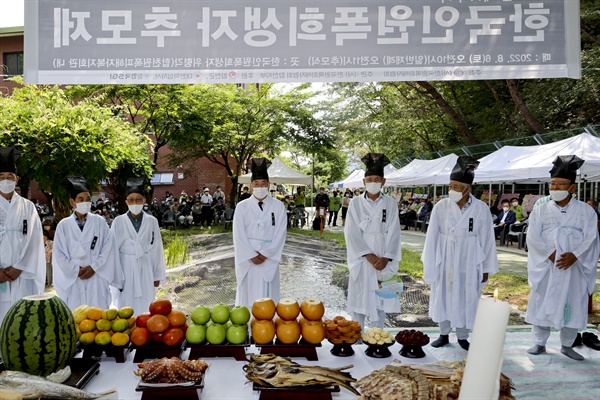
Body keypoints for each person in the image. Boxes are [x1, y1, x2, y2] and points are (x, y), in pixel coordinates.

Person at [525, 155, 600, 361]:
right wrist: (550, 254)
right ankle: (539, 342)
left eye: (561, 184)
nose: (555, 188)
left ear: (572, 188)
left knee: (572, 303)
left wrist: (575, 256)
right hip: (549, 264)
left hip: (573, 267)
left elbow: (591, 238)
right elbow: (533, 237)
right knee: (542, 299)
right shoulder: (540, 210)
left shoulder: (586, 211)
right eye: (552, 184)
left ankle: (567, 345)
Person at [422, 156, 498, 351]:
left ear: (467, 188)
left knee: (467, 294)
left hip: (470, 258)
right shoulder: (441, 207)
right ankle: (443, 333)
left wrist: (487, 267)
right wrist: (431, 262)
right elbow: (431, 236)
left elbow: (488, 239)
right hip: (446, 256)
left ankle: (463, 336)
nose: (452, 190)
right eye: (451, 186)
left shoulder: (481, 208)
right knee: (444, 293)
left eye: (457, 186)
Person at [345, 153, 401, 329]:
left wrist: (386, 257)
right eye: (369, 179)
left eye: (377, 179)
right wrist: (368, 255)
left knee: (382, 297)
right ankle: (358, 337)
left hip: (384, 253)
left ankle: (378, 336)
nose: (373, 183)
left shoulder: (391, 203)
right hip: (362, 257)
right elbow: (351, 232)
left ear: (383, 182)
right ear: (364, 182)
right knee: (360, 299)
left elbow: (394, 232)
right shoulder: (355, 203)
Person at [53, 176, 122, 310]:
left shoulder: (99, 222)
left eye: (88, 199)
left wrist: (94, 267)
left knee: (98, 316)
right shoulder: (64, 225)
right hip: (74, 279)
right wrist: (75, 270)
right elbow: (59, 254)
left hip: (96, 276)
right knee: (76, 316)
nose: (86, 202)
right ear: (72, 202)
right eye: (81, 199)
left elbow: (108, 248)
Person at [233, 158, 287, 308]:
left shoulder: (278, 206)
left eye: (263, 183)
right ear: (250, 186)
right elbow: (238, 234)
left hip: (269, 258)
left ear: (269, 185)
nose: (260, 187)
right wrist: (250, 255)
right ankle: (247, 326)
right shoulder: (242, 207)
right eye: (256, 184)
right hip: (248, 258)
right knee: (248, 294)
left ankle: (267, 329)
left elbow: (281, 233)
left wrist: (266, 253)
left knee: (268, 298)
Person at [0, 147, 45, 324]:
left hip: (22, 274)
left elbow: (34, 241)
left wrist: (20, 267)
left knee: (22, 322)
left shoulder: (28, 207)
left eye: (10, 176)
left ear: (17, 179)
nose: (6, 180)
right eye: (1, 176)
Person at [111, 178, 166, 314]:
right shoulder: (118, 221)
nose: (135, 203)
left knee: (147, 300)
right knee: (126, 301)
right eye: (131, 200)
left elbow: (157, 248)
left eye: (138, 199)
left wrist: (157, 275)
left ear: (144, 201)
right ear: (126, 202)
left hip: (145, 265)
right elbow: (112, 250)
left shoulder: (152, 221)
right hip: (125, 267)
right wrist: (115, 275)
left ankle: (145, 329)